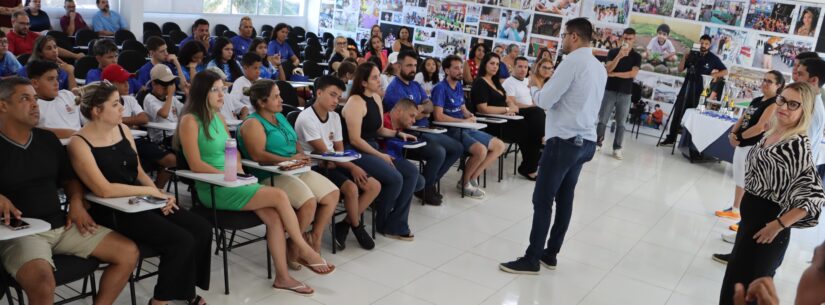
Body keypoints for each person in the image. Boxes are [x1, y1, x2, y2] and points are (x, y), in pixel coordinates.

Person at [176, 70, 333, 295]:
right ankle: (303, 248)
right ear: (202, 92)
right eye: (215, 90)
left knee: (275, 217)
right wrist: (230, 177)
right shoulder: (190, 121)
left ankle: (282, 277)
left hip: (235, 182)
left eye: (223, 89)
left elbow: (233, 152)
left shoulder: (218, 117)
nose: (222, 94)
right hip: (213, 187)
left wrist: (238, 171)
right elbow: (195, 164)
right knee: (279, 196)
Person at [68, 81, 212, 305]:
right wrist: (150, 191)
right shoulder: (79, 143)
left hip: (139, 200)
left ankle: (184, 291)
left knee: (201, 228)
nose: (122, 109)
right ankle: (160, 301)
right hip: (111, 210)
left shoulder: (123, 130)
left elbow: (137, 171)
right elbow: (103, 190)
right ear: (97, 111)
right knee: (181, 240)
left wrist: (157, 194)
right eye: (115, 104)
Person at [0, 76, 138, 305]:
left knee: (128, 252)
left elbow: (69, 178)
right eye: (25, 99)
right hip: (20, 232)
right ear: (3, 105)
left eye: (35, 98)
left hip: (62, 225)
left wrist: (75, 200)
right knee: (44, 283)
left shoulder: (46, 139)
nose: (35, 104)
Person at [499, 17, 607, 274]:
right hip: (586, 140)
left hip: (565, 140)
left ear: (574, 37)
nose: (562, 41)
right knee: (565, 197)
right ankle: (551, 253)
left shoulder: (572, 62)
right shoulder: (598, 66)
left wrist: (535, 88)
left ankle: (532, 258)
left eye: (564, 35)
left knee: (543, 198)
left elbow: (546, 100)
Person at [718, 82, 825, 305]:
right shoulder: (775, 131)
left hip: (767, 231)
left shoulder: (796, 144)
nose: (784, 107)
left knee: (748, 294)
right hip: (749, 225)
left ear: (803, 110)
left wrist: (779, 224)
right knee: (733, 289)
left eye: (793, 104)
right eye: (782, 100)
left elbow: (814, 196)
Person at [238, 79, 338, 255]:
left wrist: (301, 156)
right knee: (309, 202)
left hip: (294, 168)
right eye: (276, 97)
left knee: (332, 194)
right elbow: (257, 155)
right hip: (269, 174)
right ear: (262, 102)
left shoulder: (280, 116)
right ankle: (295, 245)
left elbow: (295, 142)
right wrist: (289, 159)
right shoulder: (252, 123)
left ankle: (315, 237)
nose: (281, 99)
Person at [295, 75, 379, 251]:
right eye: (332, 95)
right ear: (318, 93)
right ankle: (357, 226)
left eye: (339, 96)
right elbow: (325, 152)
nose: (336, 100)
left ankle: (346, 224)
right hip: (316, 167)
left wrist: (345, 162)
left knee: (374, 186)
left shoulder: (334, 117)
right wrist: (351, 166)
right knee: (352, 188)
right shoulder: (306, 118)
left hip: (334, 163)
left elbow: (339, 151)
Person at [341, 62, 420, 240]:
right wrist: (380, 155)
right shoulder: (355, 102)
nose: (379, 80)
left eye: (379, 76)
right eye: (375, 77)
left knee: (411, 172)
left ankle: (396, 222)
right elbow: (355, 139)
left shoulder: (376, 98)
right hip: (354, 152)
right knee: (395, 178)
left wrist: (398, 134)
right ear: (363, 82)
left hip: (372, 147)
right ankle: (383, 222)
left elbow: (378, 130)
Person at [713, 70, 784, 261]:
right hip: (741, 145)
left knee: (748, 183)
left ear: (779, 86)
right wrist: (733, 134)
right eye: (764, 80)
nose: (765, 84)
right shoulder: (757, 100)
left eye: (769, 82)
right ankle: (735, 209)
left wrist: (741, 138)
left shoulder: (774, 103)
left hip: (753, 147)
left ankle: (741, 219)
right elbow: (743, 118)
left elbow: (761, 126)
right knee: (739, 180)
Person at [384, 50, 461, 205]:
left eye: (415, 65)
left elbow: (430, 106)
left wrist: (418, 110)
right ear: (398, 66)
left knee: (457, 148)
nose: (413, 69)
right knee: (438, 152)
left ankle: (426, 184)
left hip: (425, 128)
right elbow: (407, 119)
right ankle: (426, 187)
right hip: (408, 132)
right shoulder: (394, 89)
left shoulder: (415, 85)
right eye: (409, 65)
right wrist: (421, 111)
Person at [432, 55, 505, 198]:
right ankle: (465, 184)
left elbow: (462, 108)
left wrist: (469, 115)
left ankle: (471, 177)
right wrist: (461, 122)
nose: (460, 71)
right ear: (446, 70)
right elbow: (438, 116)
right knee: (481, 150)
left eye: (461, 67)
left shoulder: (458, 85)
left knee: (499, 146)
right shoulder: (440, 88)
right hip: (450, 130)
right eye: (456, 68)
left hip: (465, 127)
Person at [102, 63, 177, 189]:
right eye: (123, 81)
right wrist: (132, 121)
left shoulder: (130, 100)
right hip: (115, 143)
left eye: (127, 80)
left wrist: (117, 120)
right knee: (130, 168)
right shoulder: (102, 104)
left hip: (138, 141)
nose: (128, 84)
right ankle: (145, 191)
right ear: (111, 84)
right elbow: (105, 122)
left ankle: (156, 190)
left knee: (171, 160)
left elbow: (144, 118)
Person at [659, 34, 727, 146]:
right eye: (702, 43)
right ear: (699, 43)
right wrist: (685, 57)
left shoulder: (713, 58)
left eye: (706, 44)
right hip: (686, 89)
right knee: (677, 115)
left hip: (701, 93)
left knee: (694, 118)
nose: (703, 45)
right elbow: (680, 69)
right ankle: (671, 139)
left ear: (709, 45)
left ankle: (688, 143)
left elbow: (725, 71)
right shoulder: (691, 54)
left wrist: (714, 75)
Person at [597, 27, 641, 160]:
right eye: (625, 38)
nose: (627, 40)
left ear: (634, 39)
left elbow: (632, 74)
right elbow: (608, 68)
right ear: (622, 38)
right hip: (610, 90)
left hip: (626, 93)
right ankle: (598, 143)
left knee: (621, 123)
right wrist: (619, 56)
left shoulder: (636, 57)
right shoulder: (613, 52)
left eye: (630, 38)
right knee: (603, 119)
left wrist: (614, 74)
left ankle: (617, 148)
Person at [500, 56, 546, 179]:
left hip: (531, 117)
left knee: (534, 134)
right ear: (513, 67)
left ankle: (529, 168)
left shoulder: (527, 81)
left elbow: (535, 98)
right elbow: (512, 103)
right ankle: (544, 138)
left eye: (525, 67)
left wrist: (535, 106)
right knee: (537, 113)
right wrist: (532, 107)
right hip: (517, 115)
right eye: (520, 66)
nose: (523, 69)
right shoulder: (509, 82)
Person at [29, 60, 79, 139]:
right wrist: (75, 134)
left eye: (57, 78)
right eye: (50, 79)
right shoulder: (30, 106)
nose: (56, 83)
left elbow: (90, 120)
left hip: (83, 142)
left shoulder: (67, 95)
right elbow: (30, 131)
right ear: (35, 83)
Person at [144, 64, 184, 143]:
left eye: (171, 83)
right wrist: (170, 95)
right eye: (165, 84)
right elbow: (164, 114)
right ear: (154, 84)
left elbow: (186, 111)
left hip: (176, 134)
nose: (168, 88)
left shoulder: (171, 98)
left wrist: (187, 92)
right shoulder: (149, 98)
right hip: (162, 138)